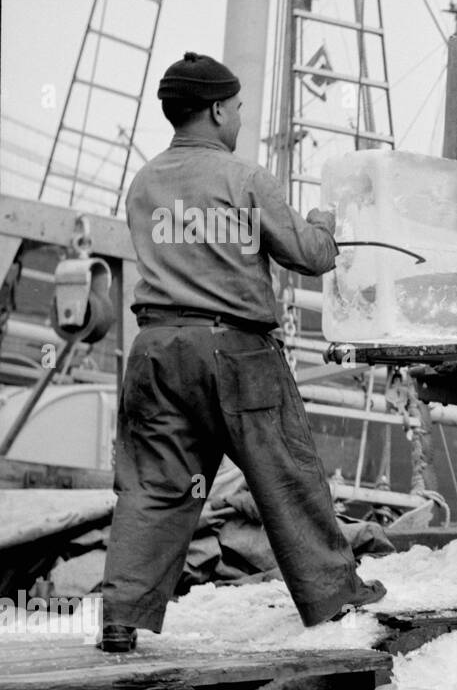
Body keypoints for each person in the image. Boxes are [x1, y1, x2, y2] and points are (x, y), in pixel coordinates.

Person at [97, 52, 386, 652]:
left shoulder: (145, 182)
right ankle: (334, 597)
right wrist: (323, 221)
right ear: (218, 109)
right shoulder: (245, 178)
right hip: (235, 351)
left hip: (154, 351)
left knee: (153, 486)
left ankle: (122, 616)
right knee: (285, 474)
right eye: (236, 109)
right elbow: (308, 254)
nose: (238, 120)